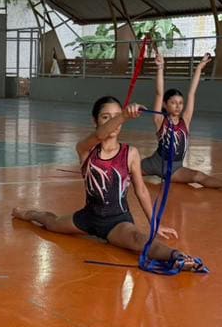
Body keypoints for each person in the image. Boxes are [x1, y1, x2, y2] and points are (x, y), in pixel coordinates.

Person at [11, 96, 207, 271]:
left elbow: (141, 190)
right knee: (51, 223)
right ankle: (27, 213)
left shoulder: (130, 153)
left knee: (139, 240)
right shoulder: (85, 149)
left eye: (116, 117)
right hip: (88, 217)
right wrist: (123, 116)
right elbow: (99, 136)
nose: (113, 122)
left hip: (117, 221)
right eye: (106, 117)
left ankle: (178, 257)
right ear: (95, 121)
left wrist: (155, 223)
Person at [142, 51, 222, 191]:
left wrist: (199, 68)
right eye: (173, 102)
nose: (178, 106)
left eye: (180, 103)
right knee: (128, 168)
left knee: (197, 176)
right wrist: (160, 68)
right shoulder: (160, 120)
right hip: (154, 162)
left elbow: (191, 93)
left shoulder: (185, 120)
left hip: (174, 168)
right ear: (165, 105)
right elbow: (159, 93)